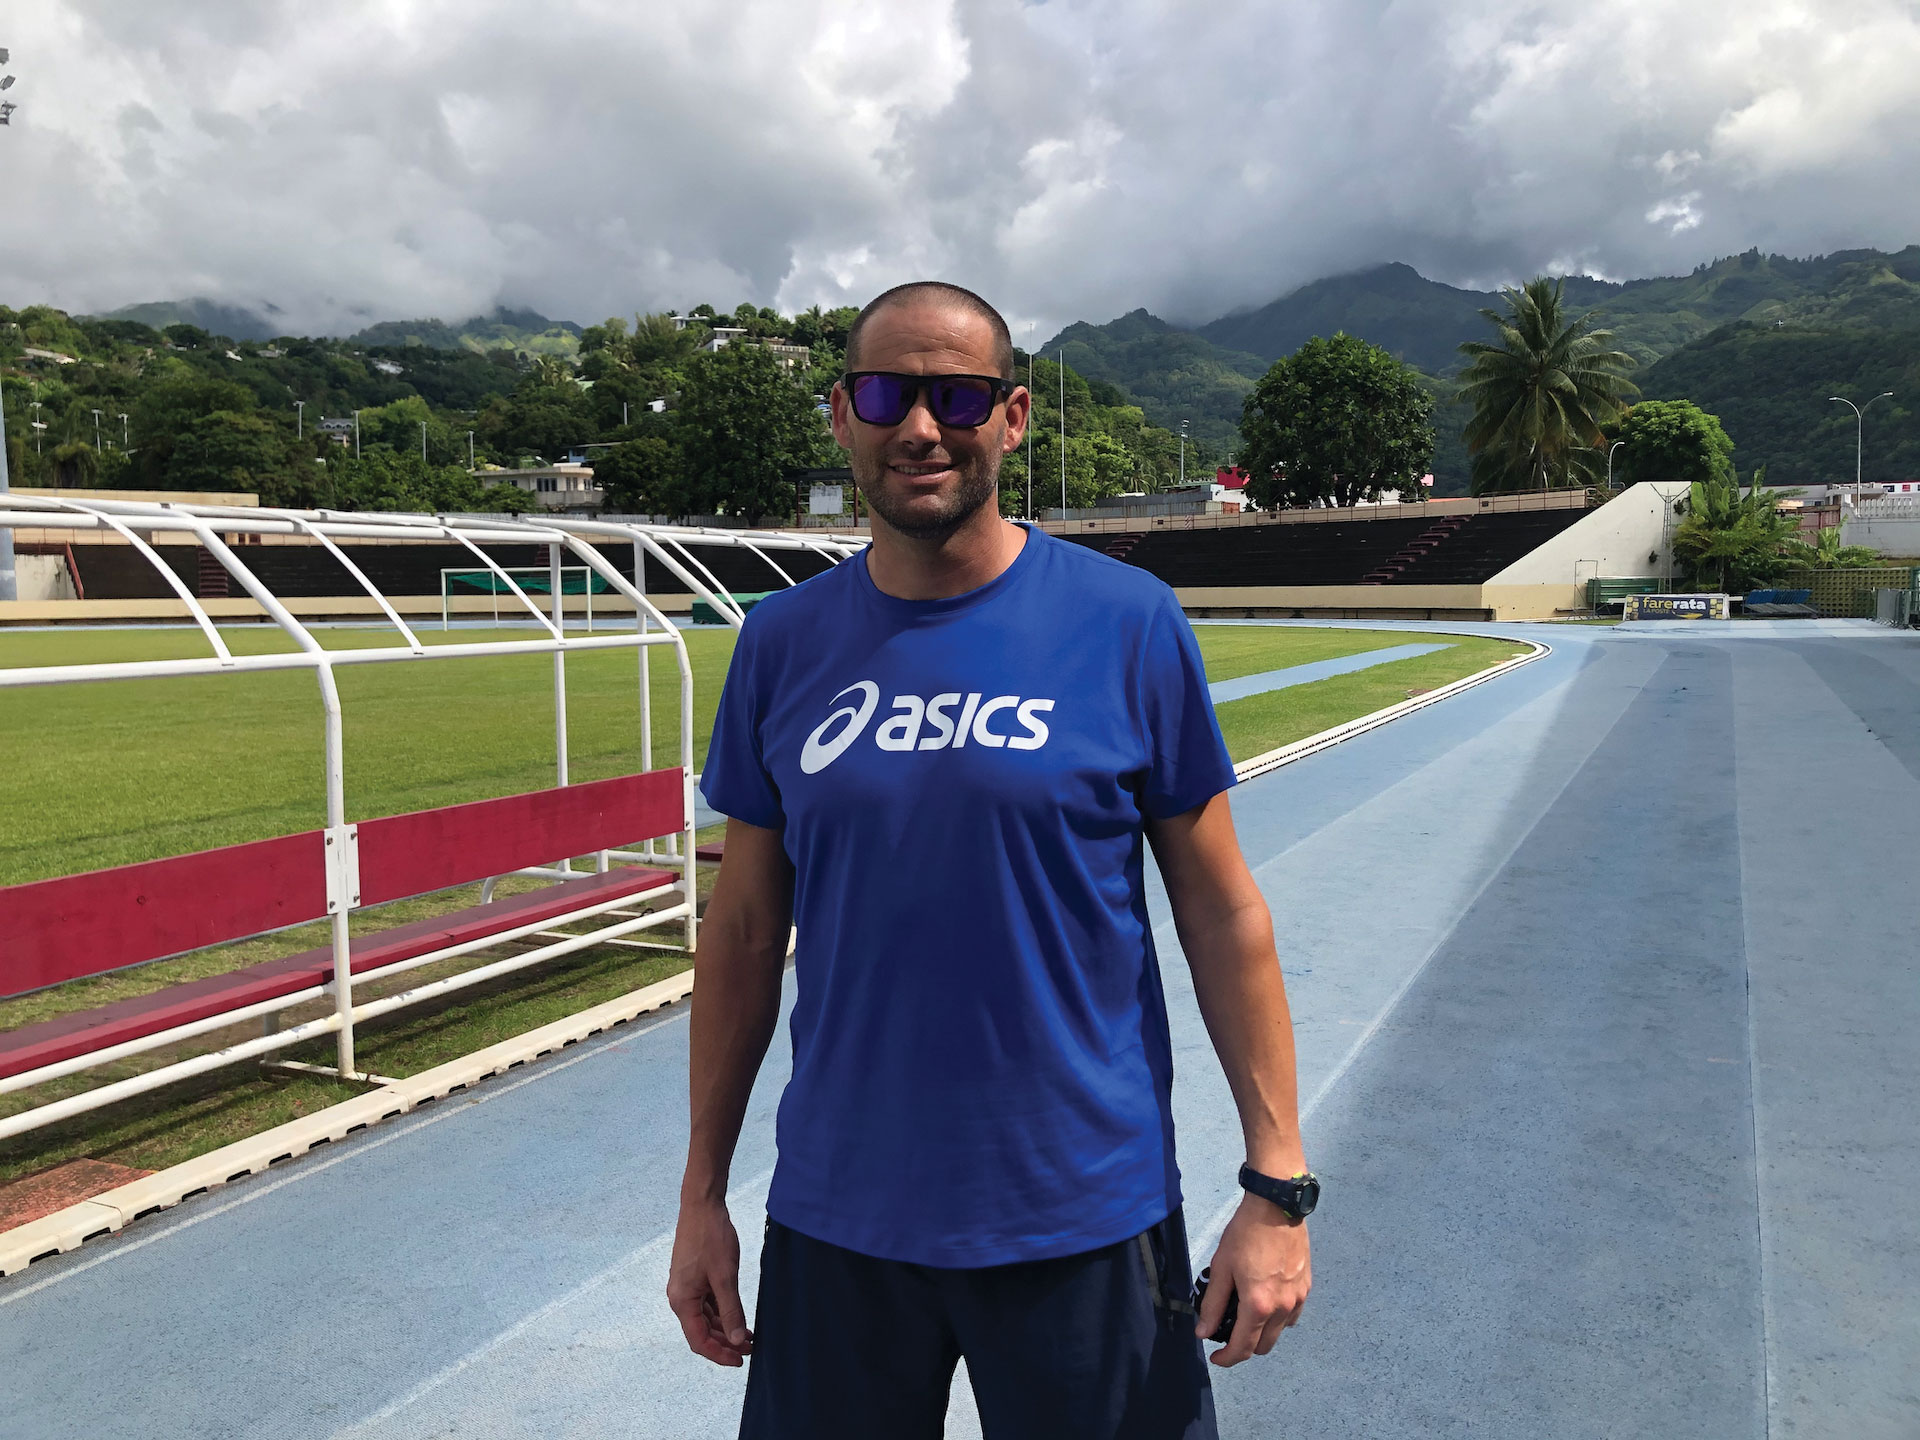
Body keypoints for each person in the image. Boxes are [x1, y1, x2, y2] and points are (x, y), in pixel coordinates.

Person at [668, 281, 1314, 1439]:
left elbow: (1222, 916)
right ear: (841, 416)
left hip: (1081, 1211)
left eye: (956, 395)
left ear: (1012, 417)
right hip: (840, 1217)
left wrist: (1277, 1185)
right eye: (886, 394)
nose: (920, 426)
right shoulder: (779, 646)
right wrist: (701, 1194)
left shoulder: (1128, 623)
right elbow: (746, 933)